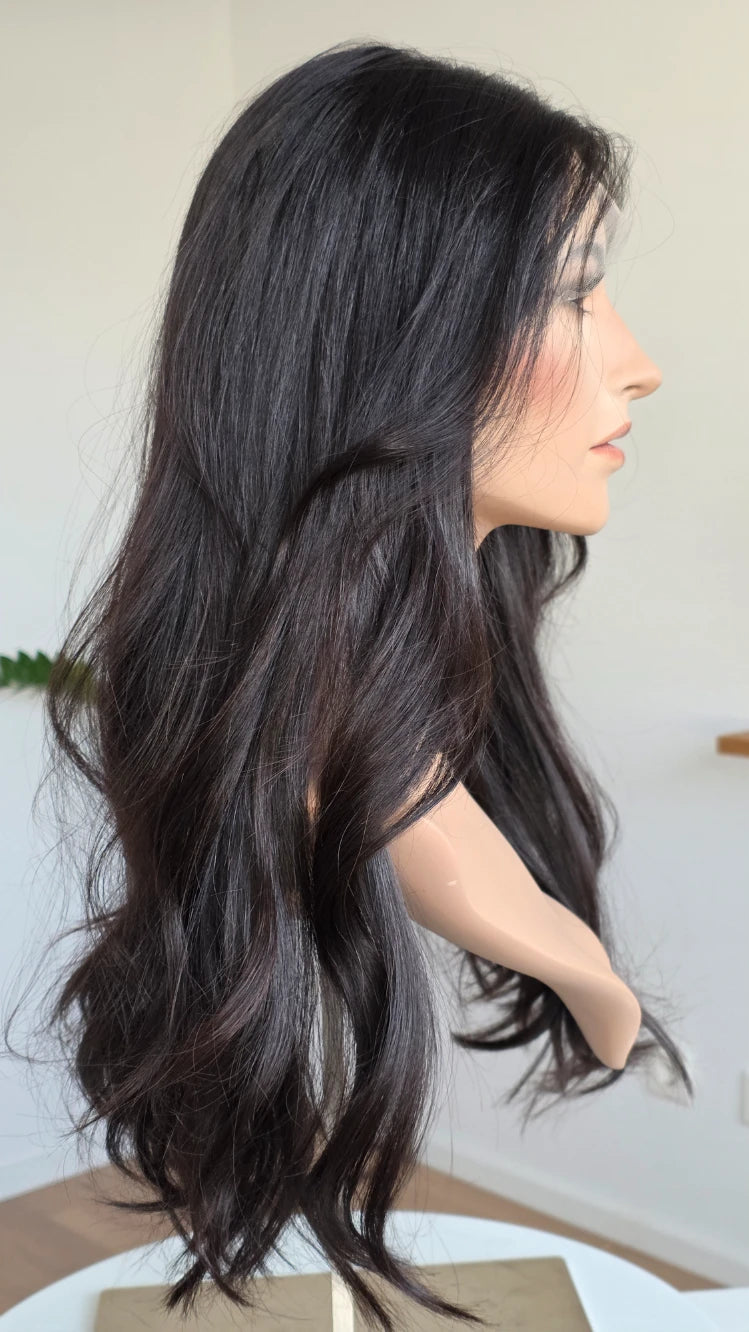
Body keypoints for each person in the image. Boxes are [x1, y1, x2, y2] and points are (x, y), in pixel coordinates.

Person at [15, 39, 692, 1332]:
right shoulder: (344, 757)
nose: (635, 360)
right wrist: (583, 971)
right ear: (393, 341)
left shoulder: (409, 694)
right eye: (570, 295)